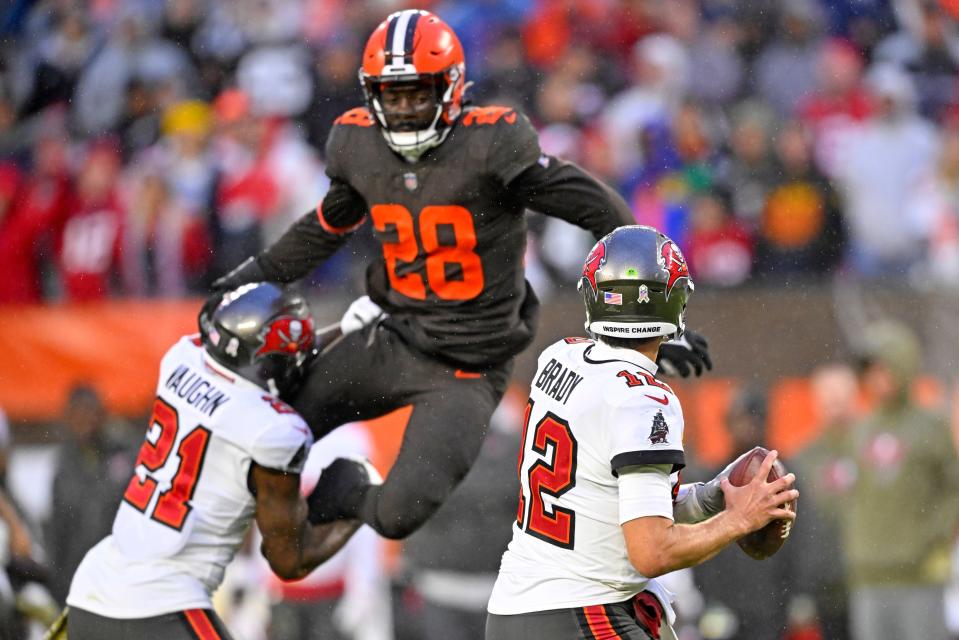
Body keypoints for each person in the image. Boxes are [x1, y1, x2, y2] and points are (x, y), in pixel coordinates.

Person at [213, 9, 712, 542]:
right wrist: (246, 280)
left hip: (469, 366)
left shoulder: (490, 144)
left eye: (417, 93)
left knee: (396, 514)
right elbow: (324, 228)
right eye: (392, 95)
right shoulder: (356, 144)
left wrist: (657, 325)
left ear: (451, 89)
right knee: (272, 430)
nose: (404, 110)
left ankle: (348, 489)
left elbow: (601, 209)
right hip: (393, 334)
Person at [485, 225, 798, 639]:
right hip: (581, 611)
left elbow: (613, 501)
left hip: (514, 609)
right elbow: (652, 550)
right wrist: (737, 521)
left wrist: (712, 498)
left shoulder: (559, 356)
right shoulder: (645, 400)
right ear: (676, 302)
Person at [61, 283, 378, 639]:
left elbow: (259, 363)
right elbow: (290, 560)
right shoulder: (275, 430)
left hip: (92, 590)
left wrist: (341, 329)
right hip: (161, 608)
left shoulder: (180, 357)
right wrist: (357, 502)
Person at [840, 320, 959, 640]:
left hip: (918, 576)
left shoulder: (931, 427)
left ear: (903, 366)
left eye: (884, 367)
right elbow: (852, 496)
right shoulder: (860, 430)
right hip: (869, 576)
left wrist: (930, 537)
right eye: (870, 371)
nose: (877, 379)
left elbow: (954, 490)